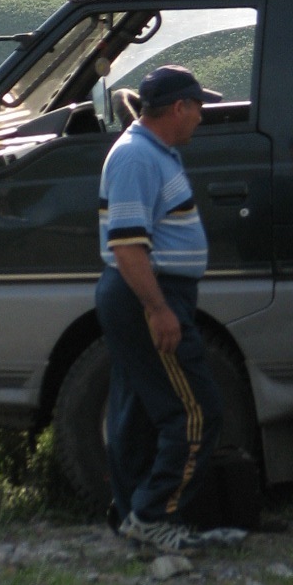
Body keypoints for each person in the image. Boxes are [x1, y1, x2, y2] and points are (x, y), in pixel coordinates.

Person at [96, 64, 225, 554]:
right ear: (178, 108)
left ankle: (133, 515)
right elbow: (128, 247)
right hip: (147, 294)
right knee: (195, 412)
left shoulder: (153, 153)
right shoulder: (136, 158)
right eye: (197, 108)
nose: (200, 118)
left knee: (137, 414)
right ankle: (154, 516)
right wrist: (158, 308)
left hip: (150, 294)